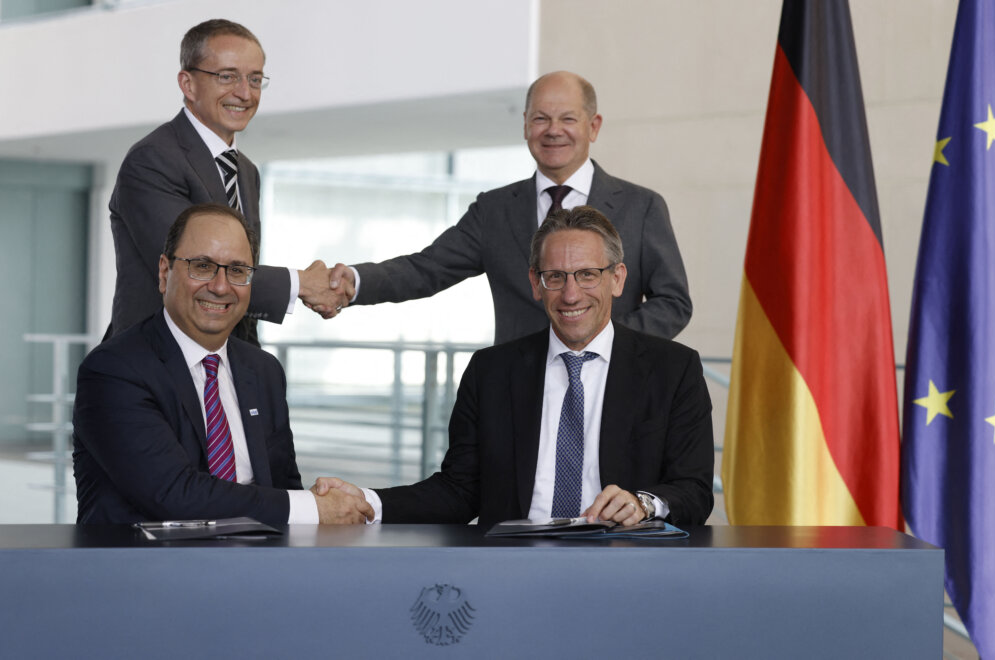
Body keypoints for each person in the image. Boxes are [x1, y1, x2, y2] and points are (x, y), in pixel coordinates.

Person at [316, 206, 714, 527]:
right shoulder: (492, 371)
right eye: (555, 277)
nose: (571, 294)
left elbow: (694, 491)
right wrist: (369, 501)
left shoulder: (673, 370)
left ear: (617, 278)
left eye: (587, 275)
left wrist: (644, 503)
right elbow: (459, 491)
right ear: (535, 284)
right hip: (511, 569)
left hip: (623, 567)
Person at [327, 71, 691, 345]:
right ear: (525, 126)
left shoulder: (641, 207)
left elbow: (673, 302)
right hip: (519, 389)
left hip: (614, 384)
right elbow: (426, 268)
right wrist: (352, 283)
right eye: (540, 118)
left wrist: (603, 340)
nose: (553, 130)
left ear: (593, 127)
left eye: (568, 119)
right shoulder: (494, 210)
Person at [73, 203, 372, 525]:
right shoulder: (114, 369)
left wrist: (317, 501)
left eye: (237, 270)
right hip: (148, 569)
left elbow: (282, 486)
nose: (220, 286)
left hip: (256, 567)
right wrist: (312, 508)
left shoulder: (263, 370)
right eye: (202, 266)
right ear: (164, 272)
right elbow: (174, 495)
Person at [108, 19, 347, 345]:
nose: (245, 93)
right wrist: (301, 284)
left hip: (225, 361)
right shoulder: (152, 159)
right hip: (153, 363)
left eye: (255, 79)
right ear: (188, 84)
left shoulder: (245, 171)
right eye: (227, 77)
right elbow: (195, 270)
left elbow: (241, 273)